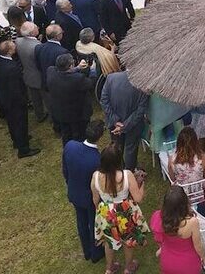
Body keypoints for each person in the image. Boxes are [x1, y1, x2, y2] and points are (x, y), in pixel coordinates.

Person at [92, 144, 149, 274]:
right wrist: (142, 183)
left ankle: (109, 268)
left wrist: (100, 211)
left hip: (106, 212)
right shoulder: (127, 175)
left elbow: (95, 199)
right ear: (119, 160)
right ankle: (128, 268)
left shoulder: (95, 176)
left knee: (108, 241)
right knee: (128, 240)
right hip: (125, 212)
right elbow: (138, 198)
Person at [63, 120, 106, 263]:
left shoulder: (70, 146)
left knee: (81, 222)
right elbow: (98, 184)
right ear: (100, 137)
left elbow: (65, 170)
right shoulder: (97, 159)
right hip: (89, 198)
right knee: (94, 223)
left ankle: (87, 250)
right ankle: (95, 252)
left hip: (74, 192)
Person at [0, 40, 40, 157]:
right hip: (15, 101)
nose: (16, 48)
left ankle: (16, 140)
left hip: (4, 96)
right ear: (9, 51)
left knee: (12, 121)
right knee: (20, 123)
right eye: (14, 47)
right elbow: (16, 89)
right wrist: (24, 100)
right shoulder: (12, 68)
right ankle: (24, 149)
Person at [151, 186, 205, 274]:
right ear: (185, 202)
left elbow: (159, 239)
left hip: (167, 261)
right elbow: (198, 247)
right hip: (188, 264)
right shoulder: (192, 222)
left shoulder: (158, 216)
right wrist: (204, 258)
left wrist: (162, 249)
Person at [100, 70, 149, 170]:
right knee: (130, 149)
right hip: (133, 125)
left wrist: (115, 121)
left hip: (115, 125)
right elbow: (141, 108)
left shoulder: (111, 78)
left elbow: (104, 101)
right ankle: (129, 173)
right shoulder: (143, 83)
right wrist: (125, 125)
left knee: (117, 147)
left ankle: (119, 169)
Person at [48, 53, 93, 145]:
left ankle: (68, 150)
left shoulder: (51, 73)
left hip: (60, 112)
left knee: (66, 135)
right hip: (77, 115)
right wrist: (91, 69)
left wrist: (77, 68)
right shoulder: (78, 79)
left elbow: (64, 72)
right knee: (80, 136)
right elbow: (90, 83)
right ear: (71, 65)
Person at [15, 22, 48, 123]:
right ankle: (51, 115)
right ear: (32, 33)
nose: (38, 27)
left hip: (28, 74)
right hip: (39, 76)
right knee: (47, 98)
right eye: (35, 27)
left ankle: (39, 115)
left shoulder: (18, 41)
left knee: (35, 98)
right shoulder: (38, 46)